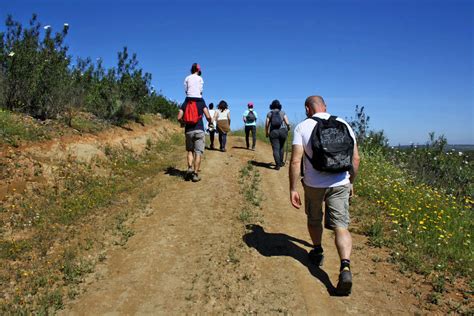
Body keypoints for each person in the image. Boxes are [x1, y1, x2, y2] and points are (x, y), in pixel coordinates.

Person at [289, 95, 360, 296]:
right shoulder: (343, 123)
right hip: (340, 182)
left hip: (313, 185)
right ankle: (345, 266)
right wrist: (351, 182)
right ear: (325, 106)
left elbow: (296, 161)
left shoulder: (302, 127)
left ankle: (318, 250)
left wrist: (293, 188)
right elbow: (355, 158)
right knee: (341, 226)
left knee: (314, 218)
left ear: (307, 109)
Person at [177, 63, 212, 182]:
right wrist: (210, 122)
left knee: (190, 151)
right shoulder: (201, 101)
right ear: (199, 71)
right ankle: (195, 174)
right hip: (199, 129)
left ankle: (190, 168)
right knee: (198, 152)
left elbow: (179, 116)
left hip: (189, 130)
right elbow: (207, 115)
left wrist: (183, 122)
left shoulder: (186, 102)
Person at [265, 99, 290, 170]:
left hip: (273, 132)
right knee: (281, 147)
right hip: (283, 131)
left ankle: (277, 165)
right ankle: (281, 162)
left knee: (276, 148)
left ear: (272, 106)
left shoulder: (269, 113)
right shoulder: (283, 113)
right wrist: (288, 129)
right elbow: (287, 123)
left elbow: (267, 124)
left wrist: (267, 133)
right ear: (279, 106)